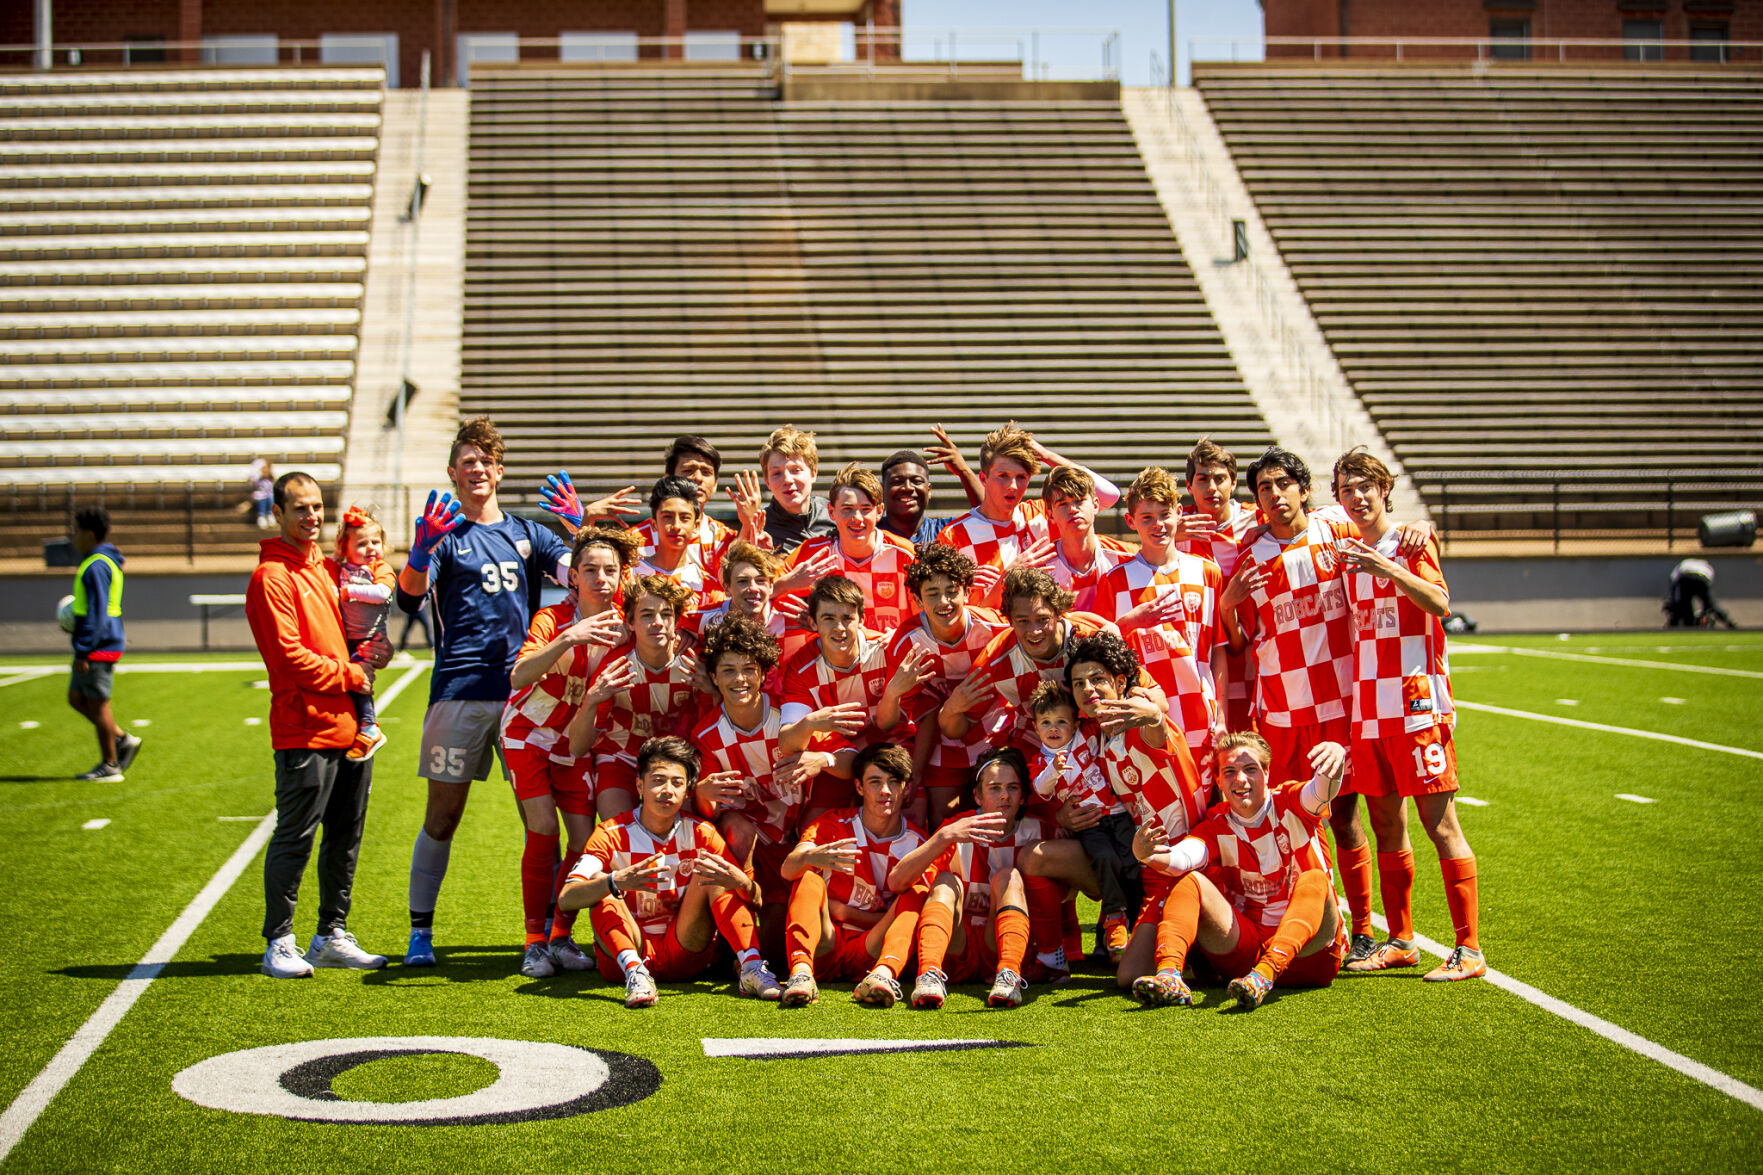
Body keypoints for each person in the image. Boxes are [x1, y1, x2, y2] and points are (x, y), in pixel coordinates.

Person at [395, 417, 574, 968]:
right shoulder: (443, 537)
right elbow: (408, 601)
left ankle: (546, 937)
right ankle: (420, 932)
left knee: (540, 819)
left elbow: (583, 576)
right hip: (461, 689)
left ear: (499, 471)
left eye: (485, 461)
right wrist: (420, 554)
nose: (476, 469)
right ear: (452, 472)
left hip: (525, 694)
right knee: (443, 816)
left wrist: (580, 531)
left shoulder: (529, 532)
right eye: (466, 461)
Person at [1218, 446, 1377, 963]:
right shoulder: (1250, 557)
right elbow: (1238, 645)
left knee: (1347, 817)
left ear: (1304, 489)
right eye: (1264, 487)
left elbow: (1381, 528)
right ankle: (1311, 924)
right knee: (1292, 824)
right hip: (1281, 713)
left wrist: (1421, 529)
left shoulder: (1337, 533)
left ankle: (1367, 929)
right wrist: (1228, 603)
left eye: (1283, 484)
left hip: (1338, 705)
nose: (1275, 494)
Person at [1333, 448, 1485, 982]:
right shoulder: (1345, 546)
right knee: (1384, 824)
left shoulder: (1409, 542)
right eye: (1347, 490)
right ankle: (1400, 940)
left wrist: (1388, 563)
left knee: (1439, 824)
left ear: (1383, 489)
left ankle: (1469, 948)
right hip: (1369, 708)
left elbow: (1440, 604)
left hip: (1418, 703)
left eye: (1364, 487)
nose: (1357, 497)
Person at [245, 471, 392, 979]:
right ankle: (278, 941)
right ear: (279, 514)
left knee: (345, 837)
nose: (311, 516)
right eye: (300, 508)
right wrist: (353, 673)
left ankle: (331, 933)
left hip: (350, 728)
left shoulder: (327, 570)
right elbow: (288, 659)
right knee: (296, 836)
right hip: (303, 728)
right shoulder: (272, 577)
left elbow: (356, 628)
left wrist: (377, 649)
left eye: (316, 507)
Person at [557, 736, 784, 1007]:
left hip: (685, 953)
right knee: (600, 882)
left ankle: (752, 968)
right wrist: (617, 880)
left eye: (677, 783)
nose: (667, 790)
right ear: (639, 784)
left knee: (714, 871)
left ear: (688, 791)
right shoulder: (611, 833)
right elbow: (567, 898)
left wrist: (742, 882)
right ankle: (636, 974)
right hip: (626, 954)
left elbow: (756, 900)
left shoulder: (702, 833)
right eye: (657, 780)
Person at [500, 524, 634, 977]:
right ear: (572, 576)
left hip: (575, 742)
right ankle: (533, 942)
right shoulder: (552, 617)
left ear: (622, 576)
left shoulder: (626, 626)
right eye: (590, 569)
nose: (601, 578)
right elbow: (518, 678)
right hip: (527, 736)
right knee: (542, 831)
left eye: (610, 570)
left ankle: (560, 935)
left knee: (582, 841)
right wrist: (569, 637)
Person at [1131, 733, 1349, 1011]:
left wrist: (1335, 756)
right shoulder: (1216, 823)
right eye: (1230, 772)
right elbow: (1183, 858)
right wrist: (1147, 855)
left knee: (1315, 879)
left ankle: (1266, 975)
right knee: (1190, 880)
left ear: (1267, 773)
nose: (1240, 779)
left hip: (1310, 956)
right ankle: (1169, 974)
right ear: (1219, 781)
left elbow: (1321, 791)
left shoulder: (1292, 801)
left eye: (1250, 769)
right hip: (1249, 952)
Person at [1065, 633, 1208, 973]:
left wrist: (1153, 714)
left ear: (1119, 682)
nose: (1088, 689)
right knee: (1128, 974)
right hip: (1149, 867)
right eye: (1079, 683)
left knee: (1142, 971)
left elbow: (1157, 731)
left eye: (1098, 679)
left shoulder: (1138, 720)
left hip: (1187, 860)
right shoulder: (1101, 734)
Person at [1095, 467, 1227, 773]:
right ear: (1131, 522)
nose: (1158, 525)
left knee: (1202, 812)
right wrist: (1130, 622)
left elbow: (1218, 651)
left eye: (1165, 514)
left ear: (1179, 513)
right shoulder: (1116, 581)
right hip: (1144, 715)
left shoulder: (1208, 573)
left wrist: (1222, 720)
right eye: (1147, 518)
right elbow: (1098, 652)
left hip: (1200, 715)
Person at [896, 745, 1049, 1009]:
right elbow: (897, 881)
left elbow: (1073, 893)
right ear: (977, 796)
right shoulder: (956, 827)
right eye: (994, 788)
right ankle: (929, 973)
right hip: (956, 948)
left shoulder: (1041, 832)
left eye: (1012, 788)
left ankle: (1009, 975)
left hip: (1000, 946)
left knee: (1007, 877)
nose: (1005, 796)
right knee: (945, 882)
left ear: (1024, 796)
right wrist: (943, 836)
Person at [778, 743, 930, 1008]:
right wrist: (809, 857)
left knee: (918, 893)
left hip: (873, 945)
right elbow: (788, 869)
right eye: (875, 782)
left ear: (906, 788)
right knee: (807, 876)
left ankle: (884, 974)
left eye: (894, 782)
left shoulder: (918, 843)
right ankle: (801, 972)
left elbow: (904, 913)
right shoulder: (832, 824)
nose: (885, 791)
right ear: (859, 787)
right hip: (827, 941)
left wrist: (846, 913)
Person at [876, 543, 1009, 827]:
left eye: (952, 591)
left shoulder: (994, 630)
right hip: (941, 736)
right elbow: (887, 723)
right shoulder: (906, 642)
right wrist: (893, 692)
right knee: (942, 818)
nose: (944, 602)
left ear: (967, 591)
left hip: (993, 730)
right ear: (917, 599)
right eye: (932, 594)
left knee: (999, 813)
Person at [689, 616, 797, 946]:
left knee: (778, 951)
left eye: (749, 669)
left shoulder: (789, 717)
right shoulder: (706, 734)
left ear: (763, 674)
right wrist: (702, 793)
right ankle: (737, 941)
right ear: (713, 679)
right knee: (736, 826)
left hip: (792, 838)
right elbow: (708, 813)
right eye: (728, 670)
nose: (740, 679)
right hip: (748, 844)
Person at [935, 422, 1121, 606]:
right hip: (992, 633)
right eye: (1003, 476)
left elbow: (1109, 495)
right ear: (983, 478)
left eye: (1021, 477)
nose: (1013, 486)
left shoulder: (1041, 514)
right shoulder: (954, 535)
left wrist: (1047, 455)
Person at [569, 574, 704, 820]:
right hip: (622, 757)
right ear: (629, 622)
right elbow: (578, 748)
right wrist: (591, 699)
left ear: (677, 621)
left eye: (666, 614)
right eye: (647, 614)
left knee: (681, 836)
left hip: (678, 760)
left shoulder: (695, 663)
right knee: (618, 830)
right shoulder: (616, 666)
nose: (657, 622)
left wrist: (713, 692)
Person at [1024, 681, 1138, 962]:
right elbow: (1041, 788)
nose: (1053, 728)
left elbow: (1097, 714)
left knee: (1133, 864)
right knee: (1104, 857)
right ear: (1036, 727)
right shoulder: (1041, 760)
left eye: (1061, 721)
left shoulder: (1087, 735)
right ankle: (1114, 917)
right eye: (1046, 722)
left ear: (1075, 723)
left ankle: (1137, 925)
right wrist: (1054, 769)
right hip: (1091, 824)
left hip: (1119, 812)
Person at [778, 575, 896, 818]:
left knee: (912, 811)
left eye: (847, 618)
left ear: (862, 620)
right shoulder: (801, 668)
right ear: (813, 623)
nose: (839, 628)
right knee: (812, 825)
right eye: (829, 619)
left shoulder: (885, 649)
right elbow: (787, 742)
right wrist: (811, 723)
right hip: (837, 758)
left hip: (891, 749)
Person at [1176, 439, 1261, 731]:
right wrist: (1168, 534)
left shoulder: (1255, 520)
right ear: (1189, 486)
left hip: (1250, 658)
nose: (1211, 487)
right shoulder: (1174, 526)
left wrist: (1412, 525)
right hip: (1197, 657)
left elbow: (1309, 521)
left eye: (1220, 478)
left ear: (1234, 483)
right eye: (1202, 479)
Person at [785, 463, 918, 631]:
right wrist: (787, 583)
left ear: (879, 512)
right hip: (836, 655)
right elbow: (768, 593)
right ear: (831, 512)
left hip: (893, 653)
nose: (857, 518)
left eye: (865, 509)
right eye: (847, 509)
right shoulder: (813, 554)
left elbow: (928, 617)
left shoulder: (905, 554)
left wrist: (899, 637)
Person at [66, 506, 141, 782]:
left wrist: (84, 649)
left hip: (98, 644)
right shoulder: (99, 561)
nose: (73, 537)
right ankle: (121, 739)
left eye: (76, 531)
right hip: (95, 642)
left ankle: (110, 764)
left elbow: (97, 611)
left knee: (99, 705)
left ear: (87, 534)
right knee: (76, 698)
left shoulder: (97, 565)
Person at [328, 505, 396, 762]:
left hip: (369, 639)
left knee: (360, 680)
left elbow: (381, 594)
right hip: (346, 638)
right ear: (344, 548)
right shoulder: (341, 568)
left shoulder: (380, 568)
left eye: (375, 542)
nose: (370, 548)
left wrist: (348, 592)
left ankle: (369, 727)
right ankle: (360, 725)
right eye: (361, 543)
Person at [1042, 465, 1136, 613]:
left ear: (1096, 505)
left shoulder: (1129, 557)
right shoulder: (1040, 567)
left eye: (1079, 500)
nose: (1072, 509)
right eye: (1062, 504)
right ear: (1050, 514)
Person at [731, 425, 836, 555]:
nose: (787, 480)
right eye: (777, 473)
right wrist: (748, 532)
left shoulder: (833, 514)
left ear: (813, 474)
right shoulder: (760, 528)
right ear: (767, 481)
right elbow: (728, 573)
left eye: (796, 470)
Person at [877, 425, 984, 546]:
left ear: (929, 491)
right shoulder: (870, 533)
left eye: (916, 481)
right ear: (882, 491)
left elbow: (989, 521)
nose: (907, 487)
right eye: (897, 481)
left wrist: (964, 471)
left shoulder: (946, 532)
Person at [635, 475, 722, 602]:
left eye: (684, 518)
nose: (676, 526)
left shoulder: (708, 585)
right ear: (654, 525)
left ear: (695, 526)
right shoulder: (631, 576)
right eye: (667, 517)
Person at [249, 456, 274, 529]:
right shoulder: (259, 480)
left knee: (270, 499)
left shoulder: (271, 479)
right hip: (261, 496)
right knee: (262, 499)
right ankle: (261, 516)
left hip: (269, 496)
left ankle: (270, 515)